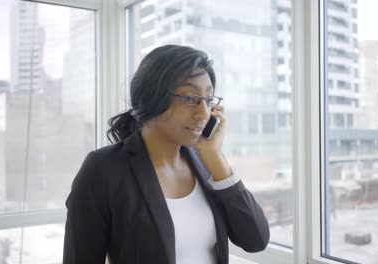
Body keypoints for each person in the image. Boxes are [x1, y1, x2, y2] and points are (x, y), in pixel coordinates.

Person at [62, 45, 270, 264]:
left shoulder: (207, 164)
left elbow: (255, 240)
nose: (204, 113)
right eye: (190, 98)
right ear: (153, 97)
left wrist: (215, 157)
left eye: (208, 100)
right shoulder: (104, 169)